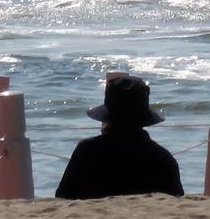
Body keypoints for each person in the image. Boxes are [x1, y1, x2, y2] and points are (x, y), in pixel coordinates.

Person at [55, 75, 184, 199]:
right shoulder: (163, 158)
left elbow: (63, 195)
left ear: (107, 116)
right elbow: (176, 197)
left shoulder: (87, 150)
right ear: (143, 117)